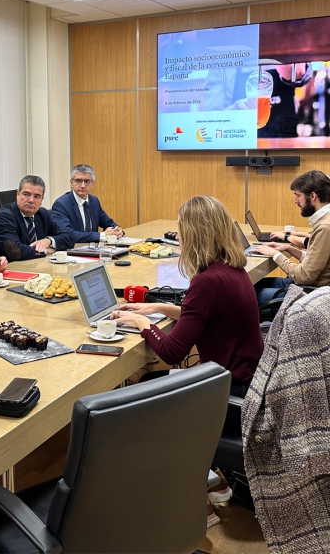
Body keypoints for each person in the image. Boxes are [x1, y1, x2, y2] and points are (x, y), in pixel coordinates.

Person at [110, 195, 263, 527]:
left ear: (195, 235)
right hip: (245, 384)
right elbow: (207, 315)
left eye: (181, 232)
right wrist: (159, 309)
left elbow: (171, 353)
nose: (177, 237)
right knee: (152, 386)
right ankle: (216, 483)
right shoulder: (230, 269)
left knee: (139, 401)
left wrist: (141, 323)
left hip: (226, 395)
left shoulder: (206, 281)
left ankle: (199, 508)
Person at [253, 170, 330, 304]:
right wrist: (288, 249)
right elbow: (318, 260)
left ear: (313, 196)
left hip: (311, 296)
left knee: (245, 294)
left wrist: (275, 254)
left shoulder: (326, 227)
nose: (295, 201)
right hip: (315, 288)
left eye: (298, 196)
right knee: (250, 286)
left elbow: (304, 276)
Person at [0, 175, 75, 262]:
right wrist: (46, 251)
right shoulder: (5, 216)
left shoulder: (42, 214)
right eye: (26, 194)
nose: (31, 200)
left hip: (38, 266)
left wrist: (48, 240)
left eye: (37, 196)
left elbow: (69, 238)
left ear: (42, 199)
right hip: (11, 269)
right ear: (18, 194)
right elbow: (15, 251)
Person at [50, 164, 124, 244]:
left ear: (93, 183)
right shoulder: (61, 204)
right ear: (71, 182)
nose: (82, 186)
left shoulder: (94, 201)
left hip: (93, 249)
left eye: (87, 181)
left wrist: (118, 230)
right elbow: (67, 234)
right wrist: (102, 235)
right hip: (73, 251)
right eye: (78, 181)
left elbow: (108, 222)